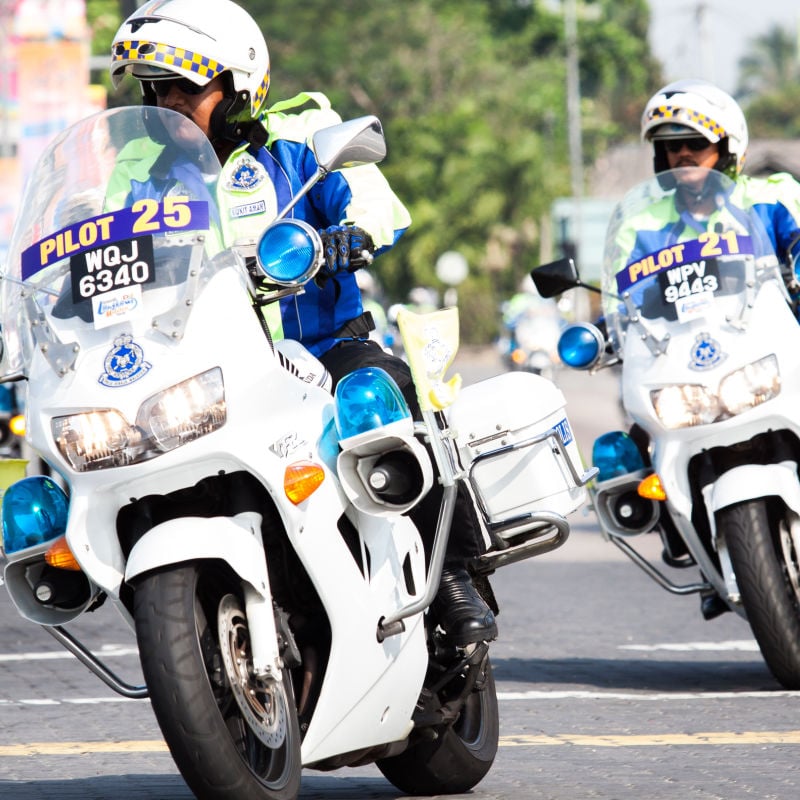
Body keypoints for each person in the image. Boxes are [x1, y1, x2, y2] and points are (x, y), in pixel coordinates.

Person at [109, 0, 496, 646]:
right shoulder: (142, 176)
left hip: (318, 351)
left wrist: (351, 234)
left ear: (236, 85)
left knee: (378, 395)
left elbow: (373, 199)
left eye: (185, 86)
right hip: (208, 372)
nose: (169, 101)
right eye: (157, 89)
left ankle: (451, 574)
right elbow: (102, 249)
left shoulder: (299, 136)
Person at [630, 79, 800, 293]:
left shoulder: (773, 201)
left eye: (697, 143)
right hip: (685, 328)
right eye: (672, 145)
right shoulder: (642, 226)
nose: (683, 153)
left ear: (727, 147)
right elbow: (624, 307)